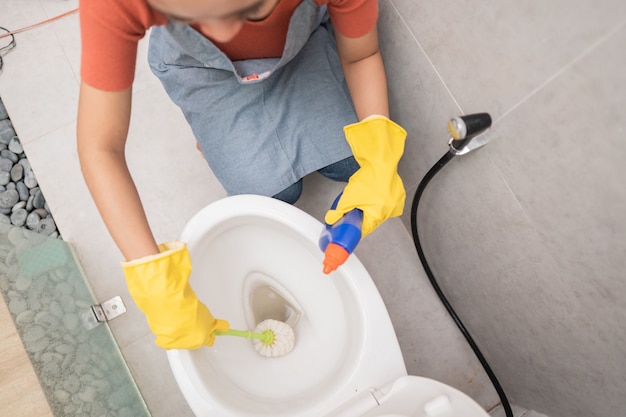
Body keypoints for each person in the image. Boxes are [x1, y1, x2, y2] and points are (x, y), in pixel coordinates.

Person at [77, 0, 407, 350]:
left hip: (296, 49)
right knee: (271, 198)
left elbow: (361, 55)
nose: (222, 32)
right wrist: (157, 286)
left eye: (251, 8)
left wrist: (378, 162)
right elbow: (100, 148)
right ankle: (213, 123)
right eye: (194, 15)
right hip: (202, 70)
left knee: (350, 163)